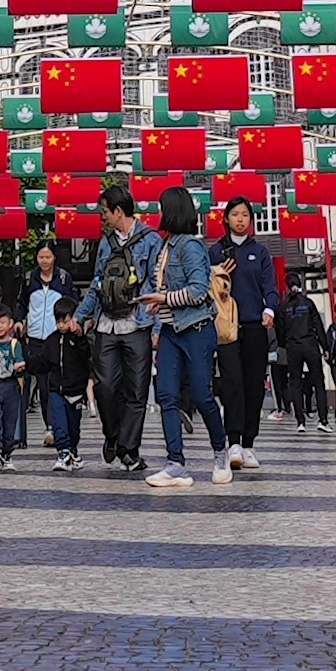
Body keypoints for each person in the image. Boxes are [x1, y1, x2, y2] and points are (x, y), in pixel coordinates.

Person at [144, 186, 228, 485]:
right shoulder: (167, 246)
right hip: (170, 331)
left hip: (196, 329)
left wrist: (163, 299)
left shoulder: (191, 246)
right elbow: (169, 291)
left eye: (162, 207)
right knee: (166, 394)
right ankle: (175, 462)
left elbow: (196, 291)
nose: (159, 213)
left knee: (203, 395)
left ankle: (221, 452)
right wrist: (158, 306)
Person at [85, 185, 160, 470]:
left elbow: (156, 283)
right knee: (105, 387)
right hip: (106, 324)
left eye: (105, 211)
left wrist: (156, 328)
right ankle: (112, 435)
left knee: (137, 390)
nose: (103, 217)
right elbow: (97, 282)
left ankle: (130, 450)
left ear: (118, 211)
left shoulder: (151, 239)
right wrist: (83, 315)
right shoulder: (105, 242)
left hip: (138, 322)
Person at [213, 198, 279, 471]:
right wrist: (218, 275)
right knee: (232, 385)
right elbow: (207, 289)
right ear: (226, 218)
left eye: (245, 215)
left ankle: (249, 442)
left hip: (254, 327)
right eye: (235, 214)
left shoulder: (260, 252)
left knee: (254, 385)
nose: (240, 219)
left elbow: (270, 287)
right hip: (228, 329)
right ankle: (234, 441)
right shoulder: (216, 251)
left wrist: (270, 309)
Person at [40, 298, 94, 468]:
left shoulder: (79, 340)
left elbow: (86, 357)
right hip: (57, 389)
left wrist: (79, 338)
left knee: (73, 426)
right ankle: (63, 452)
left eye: (65, 321)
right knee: (59, 424)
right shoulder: (51, 341)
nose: (61, 325)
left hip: (76, 390)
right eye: (58, 321)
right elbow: (42, 362)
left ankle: (72, 450)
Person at [275, 277, 330, 427]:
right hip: (310, 345)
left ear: (287, 286)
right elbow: (318, 325)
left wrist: (285, 344)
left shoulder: (283, 307)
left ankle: (300, 422)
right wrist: (325, 347)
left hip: (293, 347)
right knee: (318, 382)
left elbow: (279, 331)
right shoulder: (308, 303)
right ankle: (323, 420)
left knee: (295, 383)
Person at [0, 307, 30, 469]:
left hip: (11, 386)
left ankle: (7, 452)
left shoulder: (15, 344)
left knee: (10, 421)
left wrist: (20, 366)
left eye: (3, 322)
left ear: (10, 324)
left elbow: (20, 360)